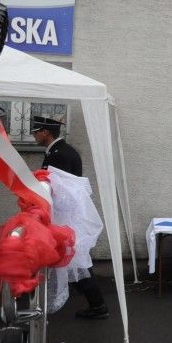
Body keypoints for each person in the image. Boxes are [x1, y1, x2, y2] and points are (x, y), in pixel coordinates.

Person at [33, 115, 107, 319]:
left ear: (45, 133)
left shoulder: (59, 155)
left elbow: (61, 191)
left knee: (76, 262)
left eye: (36, 131)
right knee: (74, 262)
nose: (34, 136)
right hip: (67, 218)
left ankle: (98, 305)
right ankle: (95, 303)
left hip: (65, 218)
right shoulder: (63, 151)